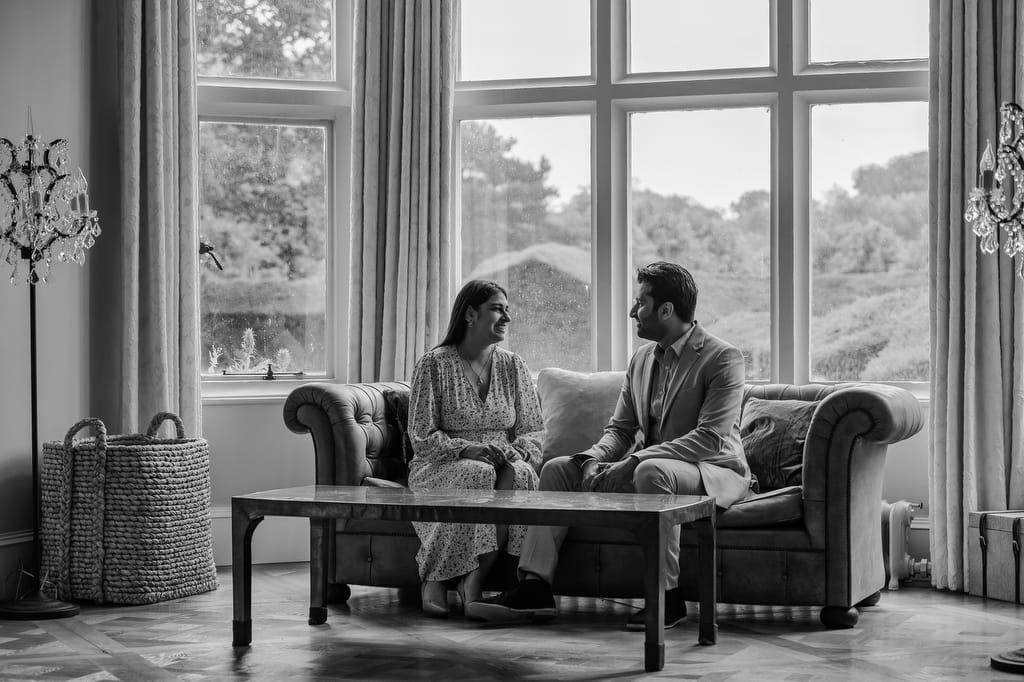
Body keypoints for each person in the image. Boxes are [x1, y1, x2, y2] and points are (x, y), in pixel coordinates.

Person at [467, 261, 751, 630]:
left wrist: (634, 461)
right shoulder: (642, 359)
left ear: (666, 310)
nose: (633, 311)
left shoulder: (723, 358)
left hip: (711, 469)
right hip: (654, 468)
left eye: (640, 302)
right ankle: (535, 587)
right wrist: (591, 459)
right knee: (557, 470)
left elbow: (710, 438)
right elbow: (620, 428)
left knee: (651, 470)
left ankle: (667, 597)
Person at [406, 279, 545, 618]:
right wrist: (466, 449)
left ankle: (474, 579)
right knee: (479, 472)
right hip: (441, 463)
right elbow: (421, 434)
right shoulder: (434, 363)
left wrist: (516, 452)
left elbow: (533, 430)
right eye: (498, 308)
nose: (507, 318)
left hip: (500, 461)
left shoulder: (514, 365)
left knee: (519, 473)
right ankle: (435, 579)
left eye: (507, 309)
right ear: (470, 313)